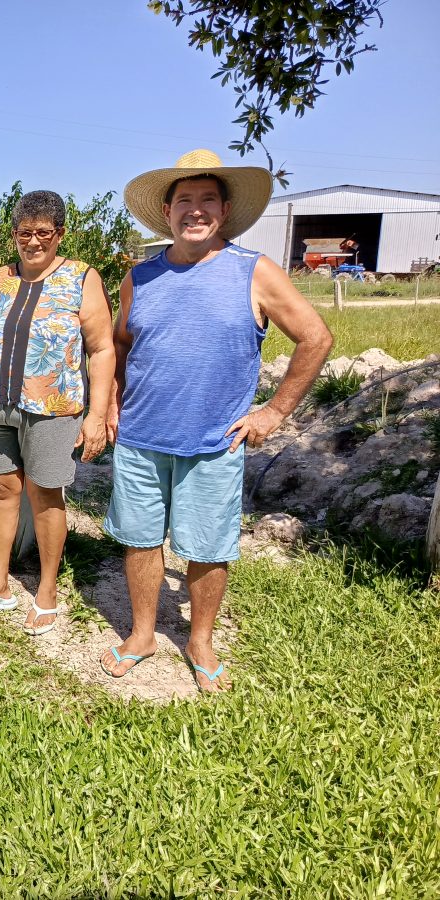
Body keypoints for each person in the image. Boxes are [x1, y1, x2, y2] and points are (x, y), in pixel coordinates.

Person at [101, 149, 333, 692]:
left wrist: (274, 410)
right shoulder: (141, 277)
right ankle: (141, 634)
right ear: (167, 210)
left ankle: (200, 640)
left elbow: (316, 338)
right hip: (140, 437)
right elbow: (119, 343)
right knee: (140, 540)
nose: (196, 210)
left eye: (208, 199)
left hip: (215, 442)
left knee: (207, 547)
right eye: (186, 200)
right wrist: (111, 401)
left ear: (224, 211)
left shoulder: (255, 272)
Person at [0, 190, 115, 634]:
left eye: (44, 232)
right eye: (25, 233)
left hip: (52, 409)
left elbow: (101, 350)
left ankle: (46, 591)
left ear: (59, 234)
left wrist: (97, 415)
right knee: (3, 491)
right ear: (14, 235)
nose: (34, 241)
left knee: (46, 495)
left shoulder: (82, 278)